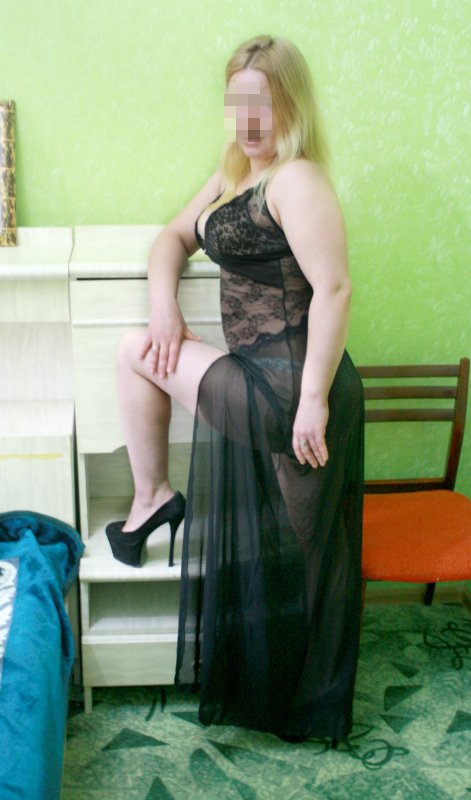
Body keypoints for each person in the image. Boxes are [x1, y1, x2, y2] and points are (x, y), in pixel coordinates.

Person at [106, 34, 364, 744]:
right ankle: (154, 498)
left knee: (311, 549)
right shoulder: (234, 174)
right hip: (260, 376)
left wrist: (312, 401)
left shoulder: (295, 179)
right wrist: (164, 304)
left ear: (291, 104)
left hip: (294, 389)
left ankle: (153, 499)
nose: (249, 120)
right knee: (298, 545)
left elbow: (335, 289)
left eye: (264, 103)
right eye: (238, 102)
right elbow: (170, 239)